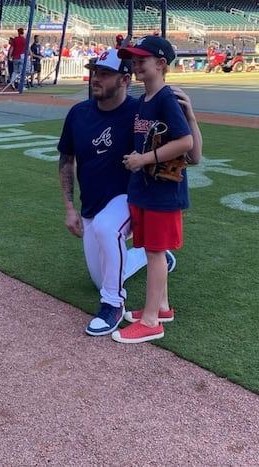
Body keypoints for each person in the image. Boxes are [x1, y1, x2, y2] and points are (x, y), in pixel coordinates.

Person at [58, 48, 202, 337]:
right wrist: (70, 208)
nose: (95, 78)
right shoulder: (78, 113)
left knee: (107, 228)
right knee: (103, 276)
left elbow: (188, 152)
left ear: (125, 80)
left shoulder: (142, 111)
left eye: (104, 74)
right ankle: (154, 260)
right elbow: (66, 160)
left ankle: (112, 305)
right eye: (94, 72)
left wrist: (190, 116)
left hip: (130, 197)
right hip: (91, 206)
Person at [113, 35, 201, 343]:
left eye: (142, 60)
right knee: (153, 250)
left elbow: (188, 144)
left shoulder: (164, 97)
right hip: (148, 188)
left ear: (161, 63)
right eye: (133, 60)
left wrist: (143, 159)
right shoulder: (145, 100)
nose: (136, 65)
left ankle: (151, 321)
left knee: (154, 253)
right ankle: (160, 307)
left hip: (163, 191)